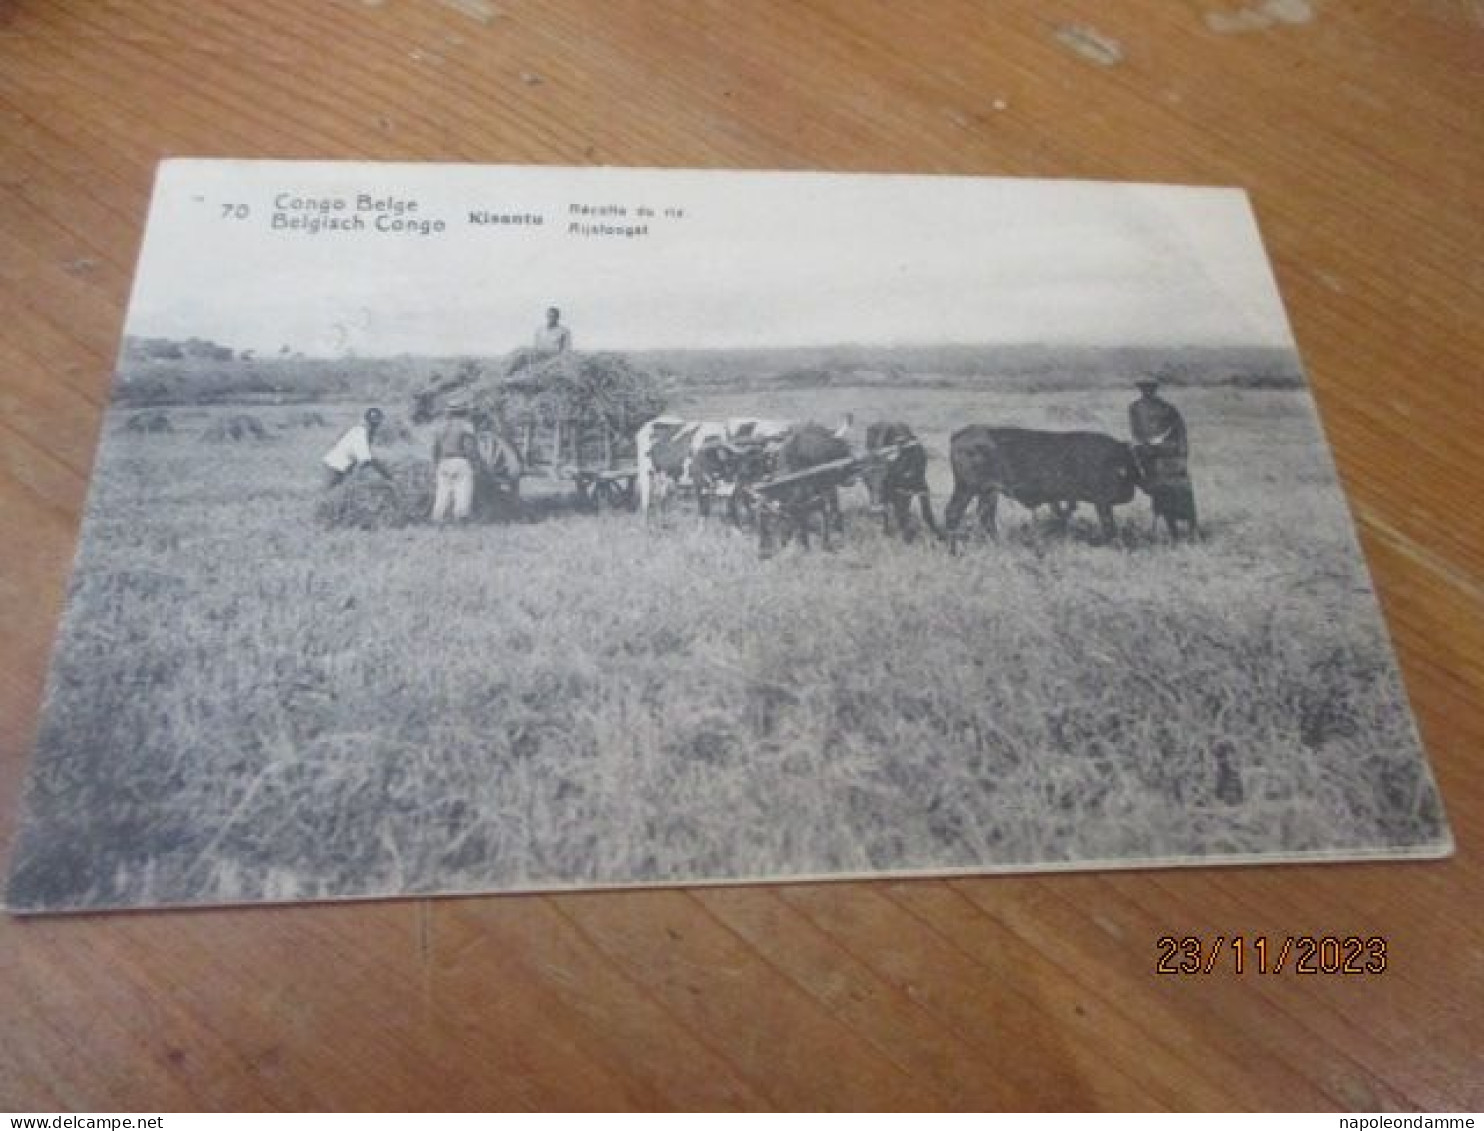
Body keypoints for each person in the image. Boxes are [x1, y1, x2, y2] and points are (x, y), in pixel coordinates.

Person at [1129, 377, 1198, 537]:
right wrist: (1143, 448)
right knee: (1160, 494)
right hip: (1150, 458)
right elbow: (1136, 432)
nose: (1147, 391)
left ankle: (1193, 529)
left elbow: (1180, 432)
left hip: (1170, 457)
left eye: (1150, 388)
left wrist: (1181, 455)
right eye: (1144, 388)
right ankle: (1172, 530)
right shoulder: (1134, 408)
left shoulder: (1167, 408)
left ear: (1155, 389)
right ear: (1140, 389)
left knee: (1182, 492)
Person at [431, 396, 478, 523]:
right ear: (464, 412)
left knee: (442, 493)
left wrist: (436, 464)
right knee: (463, 492)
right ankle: (461, 521)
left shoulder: (440, 427)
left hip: (443, 462)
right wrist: (475, 464)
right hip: (460, 461)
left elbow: (434, 448)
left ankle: (438, 519)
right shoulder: (466, 426)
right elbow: (470, 449)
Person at [322, 407, 394, 489]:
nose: (375, 427)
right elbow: (366, 460)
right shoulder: (360, 433)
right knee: (329, 493)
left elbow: (367, 458)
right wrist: (386, 474)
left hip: (341, 465)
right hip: (335, 466)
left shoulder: (362, 432)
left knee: (336, 491)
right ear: (368, 422)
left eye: (377, 424)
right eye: (373, 424)